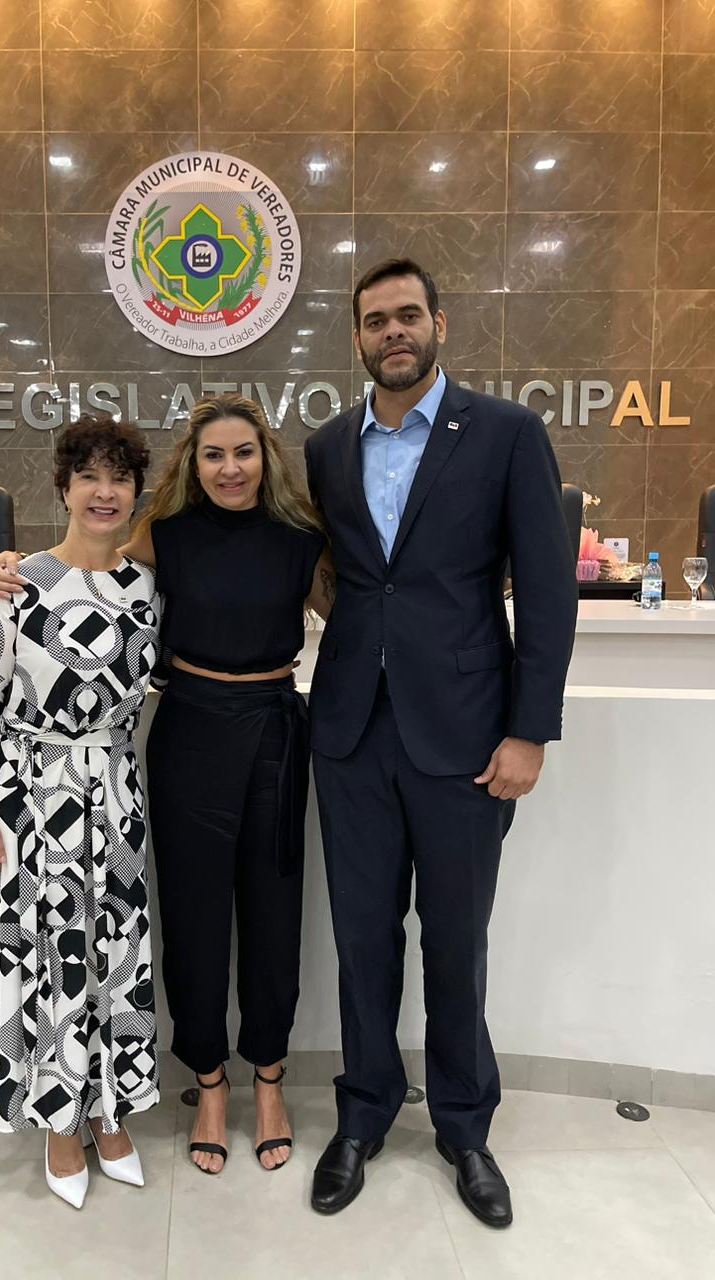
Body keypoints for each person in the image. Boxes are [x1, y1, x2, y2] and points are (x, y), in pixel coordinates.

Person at [0, 394, 334, 1176]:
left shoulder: (302, 538)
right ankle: (209, 1083)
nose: (230, 468)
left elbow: (356, 609)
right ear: (192, 464)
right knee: (196, 918)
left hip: (275, 733)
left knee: (275, 917)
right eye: (214, 454)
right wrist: (7, 567)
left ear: (266, 457)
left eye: (243, 452)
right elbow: (87, 559)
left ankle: (268, 1082)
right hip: (192, 732)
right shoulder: (163, 535)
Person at [305, 259, 577, 1225]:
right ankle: (365, 1113)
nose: (394, 331)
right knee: (361, 938)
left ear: (439, 325)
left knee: (457, 941)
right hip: (349, 733)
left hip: (466, 738)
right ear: (356, 337)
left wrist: (530, 731)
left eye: (408, 315)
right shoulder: (326, 446)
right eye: (376, 319)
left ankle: (465, 1127)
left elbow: (546, 589)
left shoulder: (505, 433)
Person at [0, 415, 161, 1211]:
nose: (104, 492)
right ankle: (57, 1119)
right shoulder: (19, 582)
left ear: (136, 491)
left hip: (115, 791)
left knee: (115, 952)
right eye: (89, 477)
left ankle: (109, 1110)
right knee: (49, 953)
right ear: (64, 488)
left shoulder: (148, 589)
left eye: (119, 477)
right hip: (29, 795)